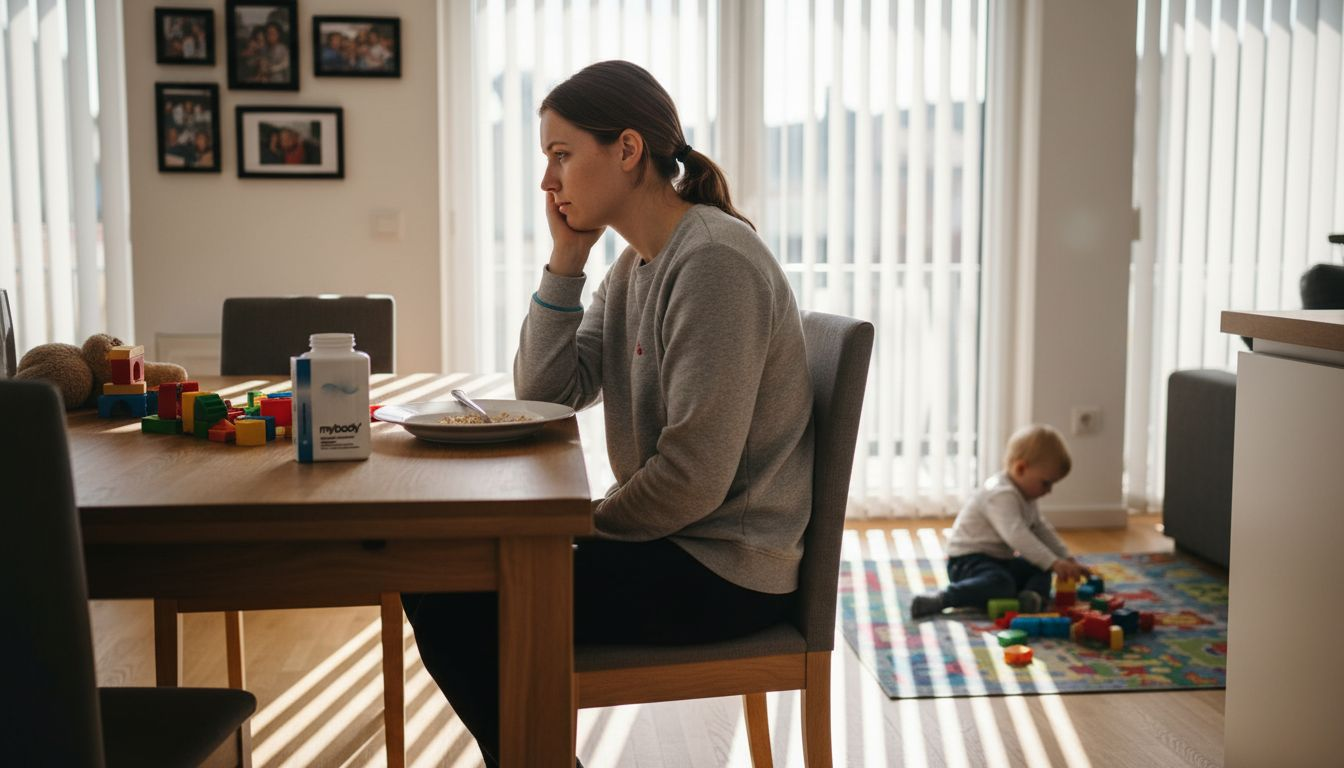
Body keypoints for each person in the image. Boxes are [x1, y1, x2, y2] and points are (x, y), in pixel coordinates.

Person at [403, 59, 814, 767]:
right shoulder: (635, 266)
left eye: (562, 155)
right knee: (450, 572)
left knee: (449, 590)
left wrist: (572, 526)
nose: (547, 180)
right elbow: (548, 390)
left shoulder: (714, 262)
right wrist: (567, 259)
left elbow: (693, 477)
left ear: (626, 150)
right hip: (675, 543)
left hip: (723, 568)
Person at [910, 424, 1091, 619]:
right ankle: (944, 598)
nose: (1049, 491)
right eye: (1046, 483)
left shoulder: (1026, 495)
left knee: (1039, 567)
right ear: (1021, 468)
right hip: (967, 562)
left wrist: (1065, 558)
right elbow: (1017, 536)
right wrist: (1053, 563)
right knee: (1001, 583)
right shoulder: (1000, 494)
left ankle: (1031, 597)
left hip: (1000, 561)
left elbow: (1040, 528)